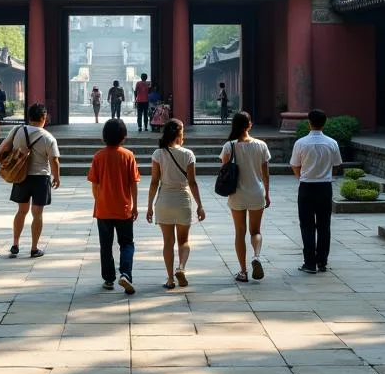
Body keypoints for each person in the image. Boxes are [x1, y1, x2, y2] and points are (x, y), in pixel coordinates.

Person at [146, 118, 205, 289]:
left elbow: (154, 182)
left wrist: (149, 205)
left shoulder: (158, 154)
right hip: (183, 201)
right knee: (183, 241)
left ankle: (170, 279)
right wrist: (200, 205)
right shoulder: (188, 154)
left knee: (168, 243)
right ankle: (182, 268)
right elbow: (192, 183)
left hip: (164, 201)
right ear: (180, 134)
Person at [0, 102, 60, 258]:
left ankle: (15, 244)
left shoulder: (17, 130)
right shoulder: (48, 137)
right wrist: (57, 177)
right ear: (43, 117)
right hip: (41, 178)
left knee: (21, 211)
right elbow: (54, 160)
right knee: (37, 214)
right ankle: (34, 248)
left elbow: (3, 148)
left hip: (21, 175)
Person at [87, 117, 140, 293]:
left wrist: (99, 200)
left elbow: (94, 185)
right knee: (126, 244)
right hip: (124, 209)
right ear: (123, 136)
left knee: (106, 245)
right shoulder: (128, 156)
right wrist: (134, 205)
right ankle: (125, 274)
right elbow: (133, 184)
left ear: (104, 136)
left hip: (103, 210)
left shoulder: (98, 157)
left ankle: (109, 279)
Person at [219, 110, 271, 283]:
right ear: (249, 125)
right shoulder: (261, 145)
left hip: (237, 194)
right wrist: (267, 193)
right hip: (257, 192)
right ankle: (256, 256)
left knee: (240, 232)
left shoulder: (229, 146)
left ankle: (243, 271)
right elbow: (265, 173)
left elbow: (224, 169)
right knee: (255, 231)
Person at [290, 107, 343, 274]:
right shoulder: (332, 143)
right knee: (324, 225)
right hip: (325, 187)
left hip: (306, 186)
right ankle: (322, 262)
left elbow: (295, 165)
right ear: (325, 123)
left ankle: (309, 263)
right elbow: (336, 166)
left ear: (309, 123)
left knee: (307, 225)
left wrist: (301, 177)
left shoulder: (301, 143)